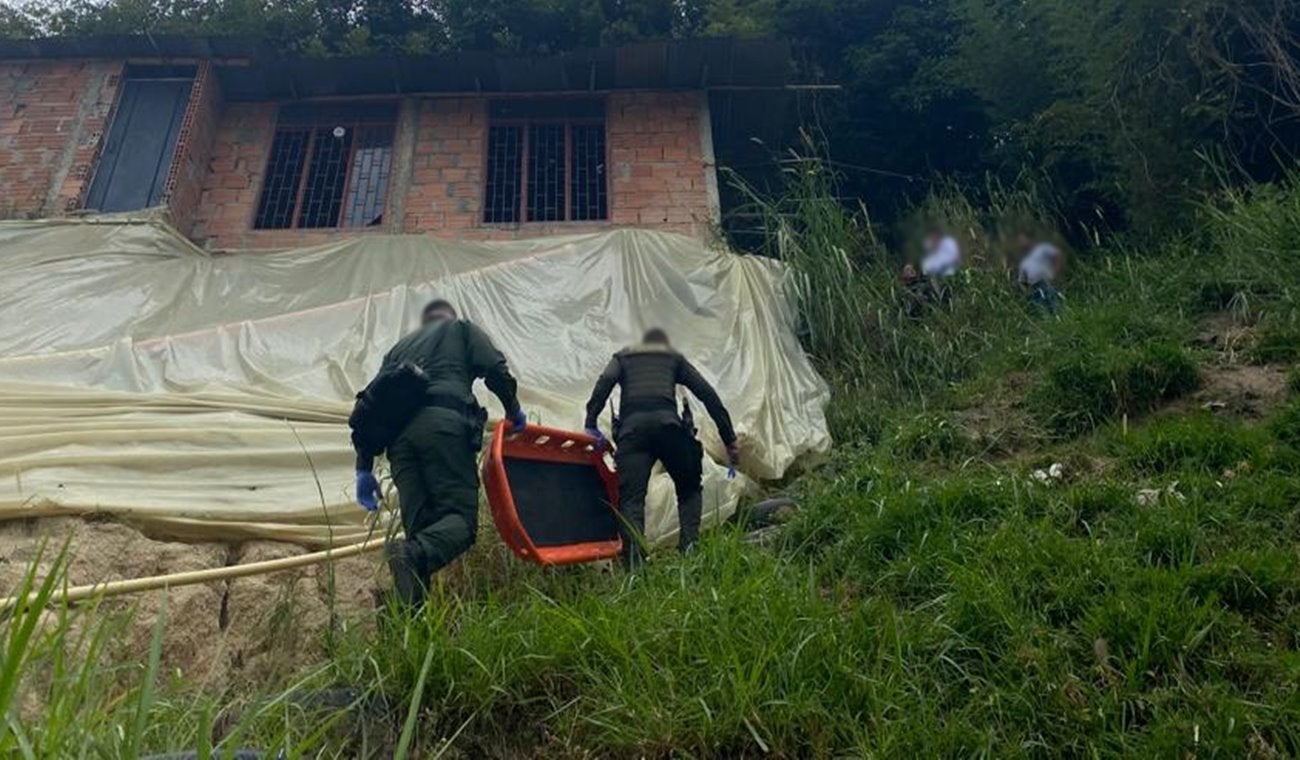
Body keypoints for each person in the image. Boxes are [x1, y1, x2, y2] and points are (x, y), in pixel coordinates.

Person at [353, 298, 526, 606]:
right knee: (459, 523)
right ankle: (410, 554)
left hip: (400, 446)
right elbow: (495, 368)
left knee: (422, 534)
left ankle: (409, 627)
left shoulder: (398, 350)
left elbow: (373, 407)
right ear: (449, 317)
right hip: (443, 429)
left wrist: (363, 468)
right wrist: (514, 411)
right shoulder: (460, 329)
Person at [583, 328, 739, 566]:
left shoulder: (624, 357)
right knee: (688, 489)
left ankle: (636, 567)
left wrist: (590, 422)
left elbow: (605, 381)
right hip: (669, 430)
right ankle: (689, 553)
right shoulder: (672, 358)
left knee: (632, 500)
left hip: (633, 434)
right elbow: (707, 394)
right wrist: (729, 440)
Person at [1016, 233, 1064, 314]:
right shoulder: (1024, 262)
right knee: (1043, 312)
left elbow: (1058, 255)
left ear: (1029, 239)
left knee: (1056, 307)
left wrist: (1055, 272)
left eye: (1023, 240)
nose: (1021, 243)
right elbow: (1021, 280)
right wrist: (1027, 293)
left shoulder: (1042, 249)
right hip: (1035, 288)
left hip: (1048, 283)